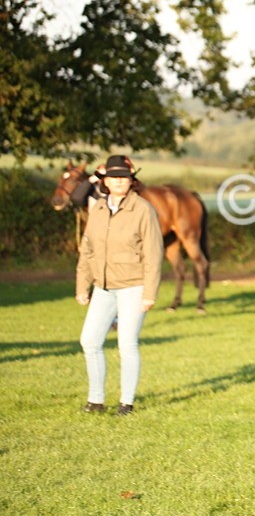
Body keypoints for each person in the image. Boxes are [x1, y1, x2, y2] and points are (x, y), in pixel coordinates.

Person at [76, 155, 163, 415]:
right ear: (104, 181)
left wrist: (149, 293)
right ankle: (96, 400)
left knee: (127, 343)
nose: (118, 181)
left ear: (131, 180)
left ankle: (126, 403)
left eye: (124, 177)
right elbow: (87, 249)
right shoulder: (98, 209)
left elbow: (154, 254)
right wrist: (83, 285)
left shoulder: (144, 209)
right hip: (103, 287)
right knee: (89, 341)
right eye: (113, 177)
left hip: (133, 286)